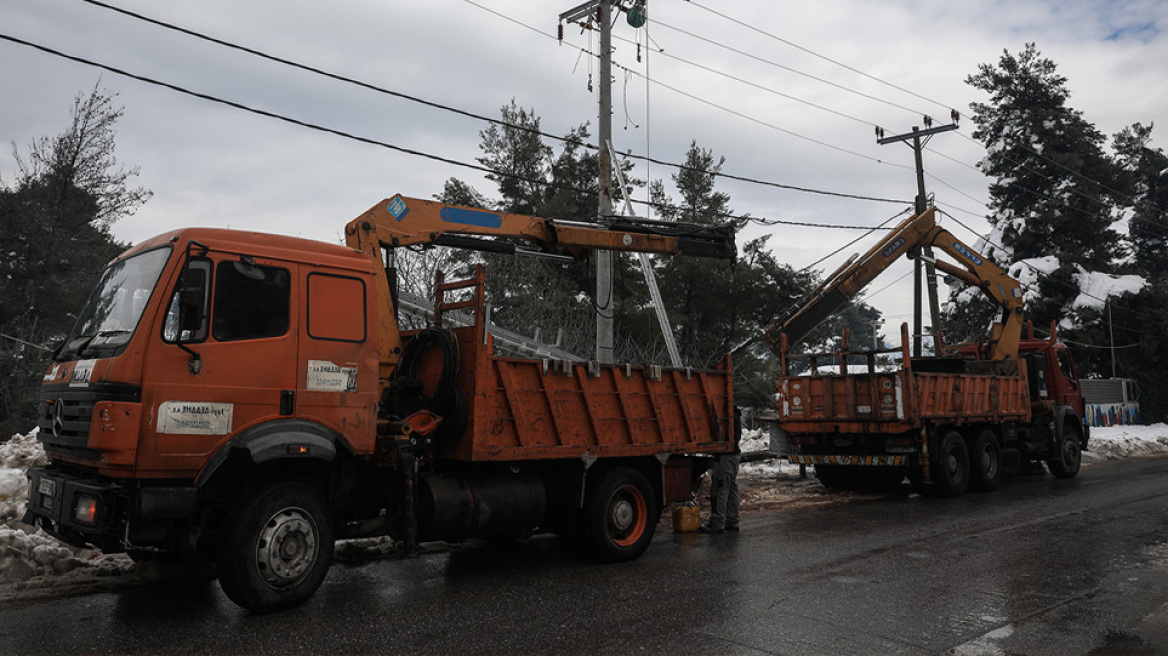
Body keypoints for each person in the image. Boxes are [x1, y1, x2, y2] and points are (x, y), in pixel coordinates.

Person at [701, 406, 742, 533]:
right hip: (733, 457)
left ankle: (717, 522)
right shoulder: (736, 416)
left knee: (721, 489)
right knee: (731, 489)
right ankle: (732, 520)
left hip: (725, 458)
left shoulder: (729, 418)